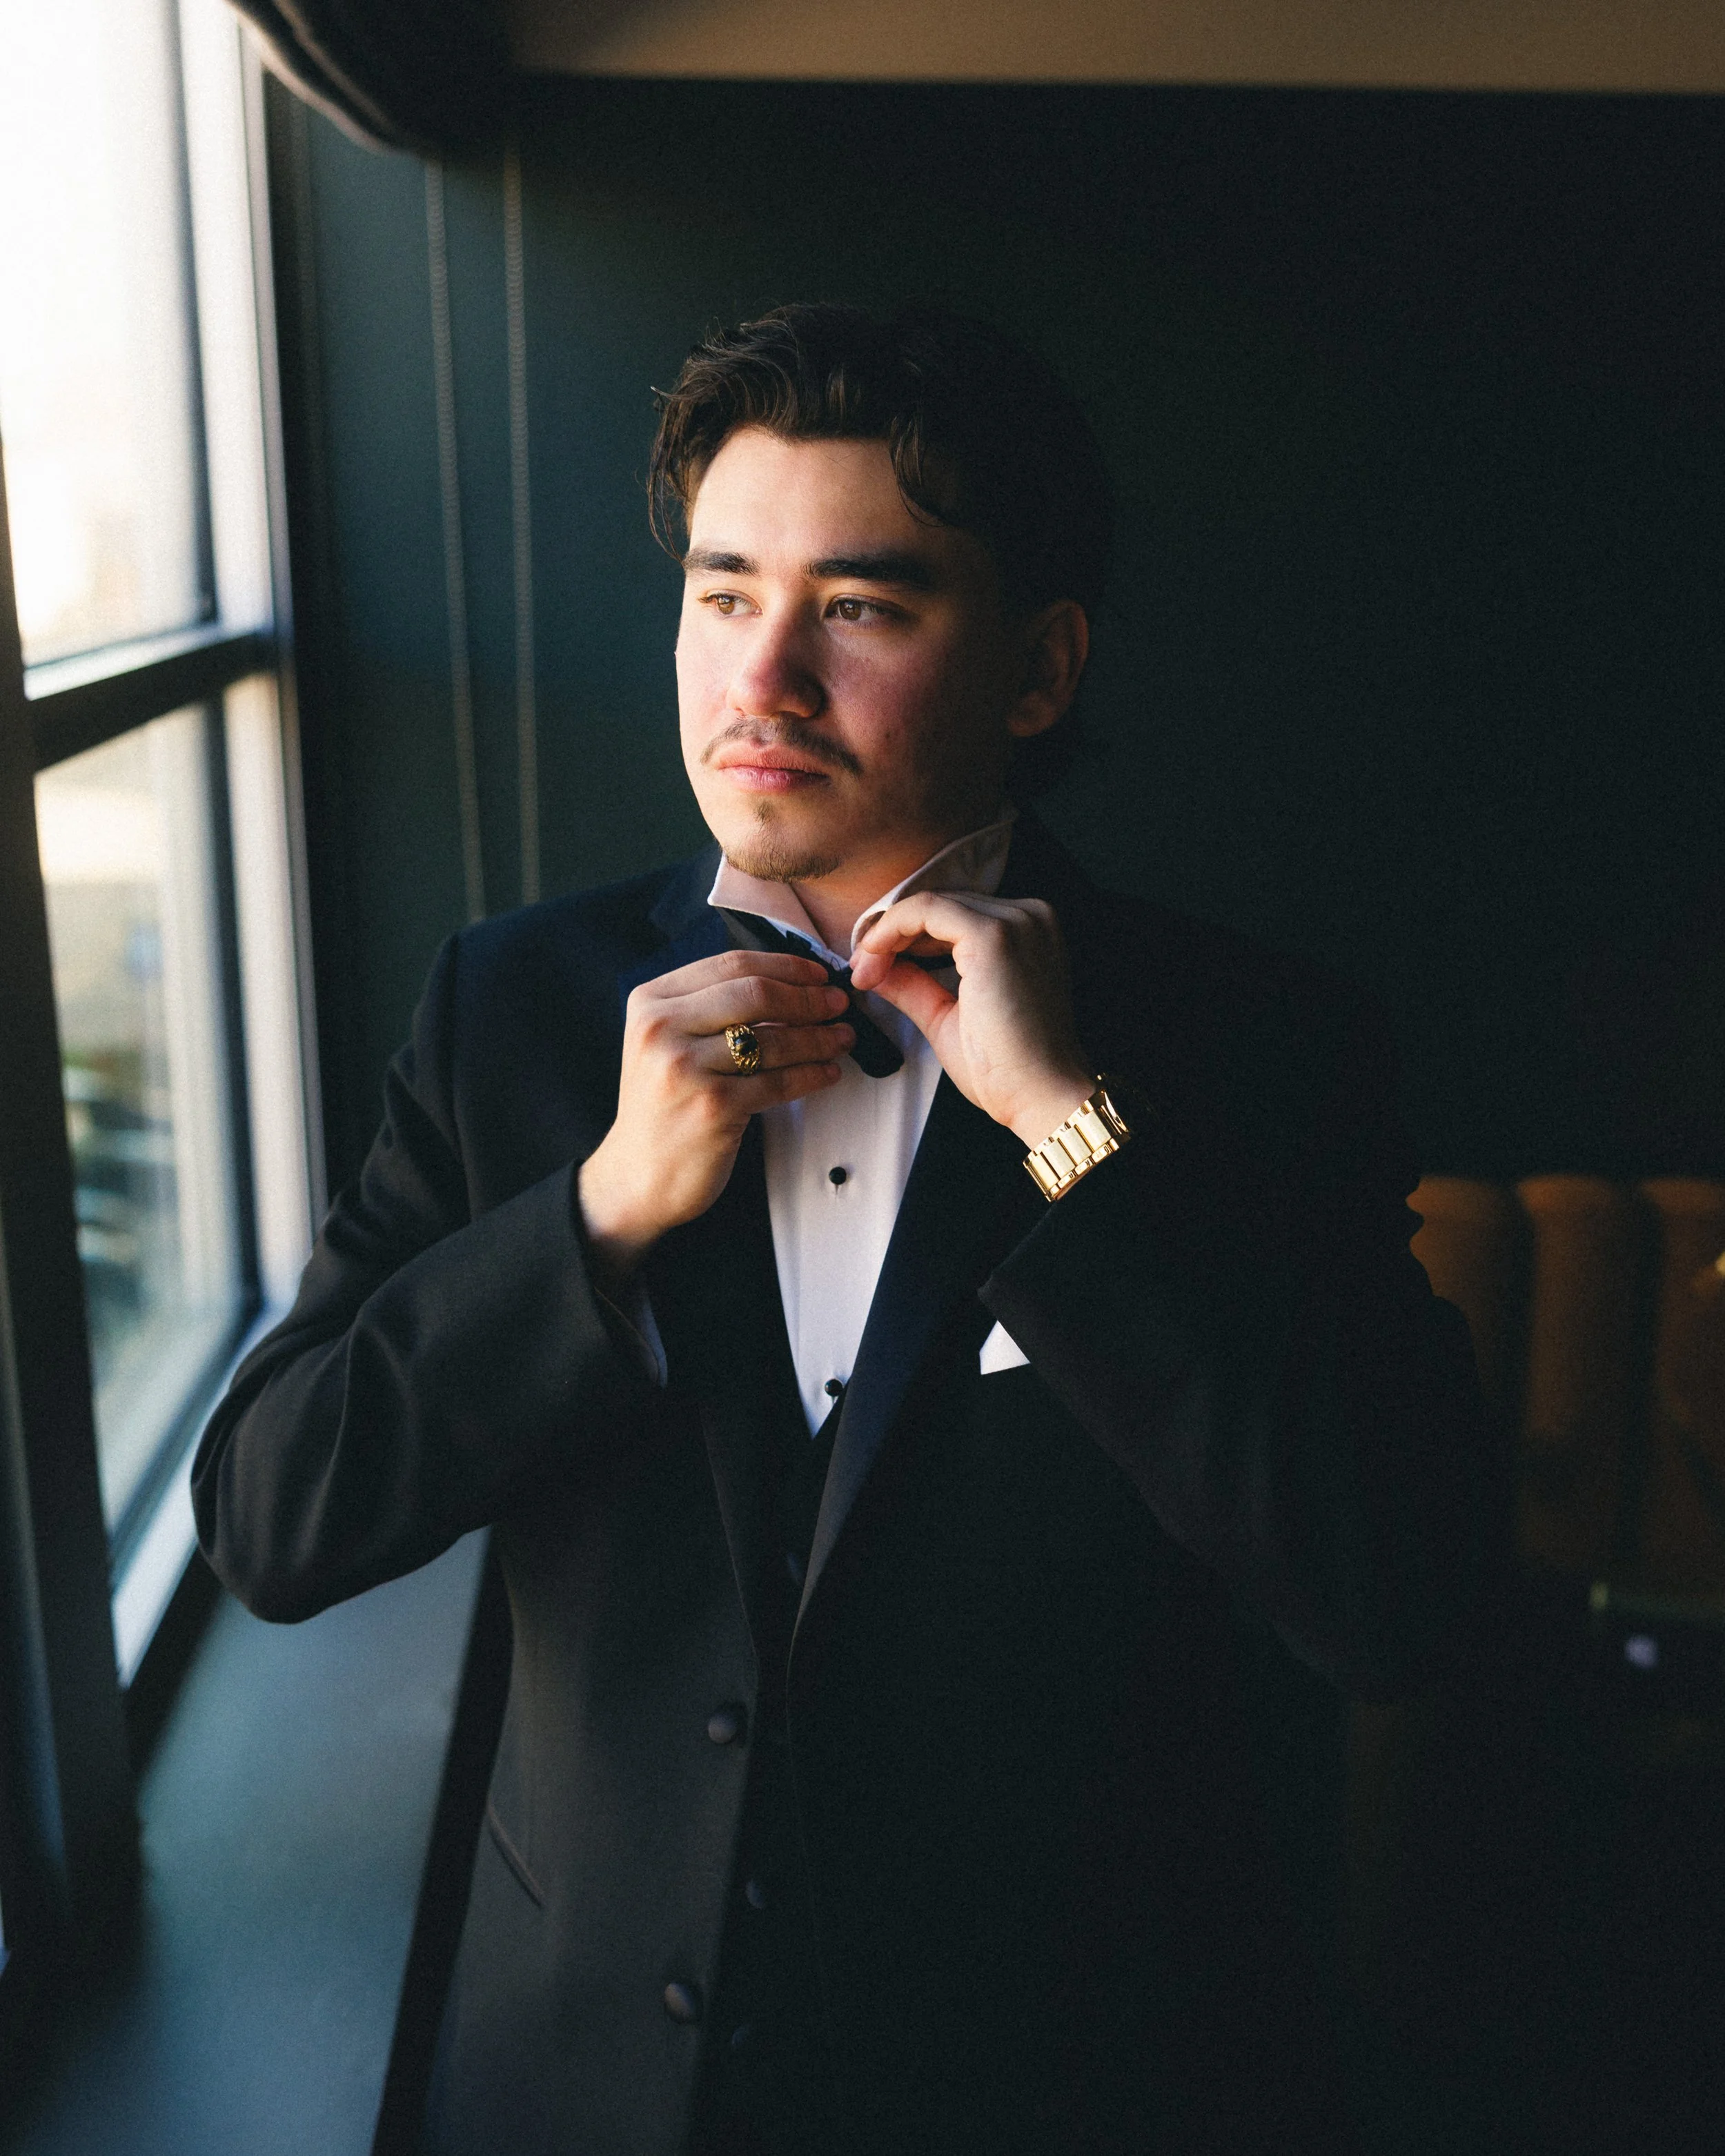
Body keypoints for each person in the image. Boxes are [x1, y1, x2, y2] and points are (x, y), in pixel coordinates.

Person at [194, 303, 1489, 2156]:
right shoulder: (516, 1013)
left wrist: (1070, 1134)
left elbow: (1397, 1596)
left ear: (1038, 671)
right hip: (569, 2089)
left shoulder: (1263, 1048)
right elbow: (269, 1515)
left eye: (860, 607)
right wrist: (596, 1214)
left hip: (1079, 2087)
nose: (763, 678)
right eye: (725, 593)